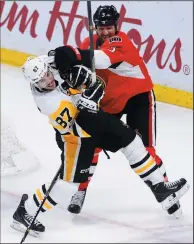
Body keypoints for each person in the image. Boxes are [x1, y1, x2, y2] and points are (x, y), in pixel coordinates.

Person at [11, 56, 189, 237]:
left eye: (48, 74)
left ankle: (160, 188)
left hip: (94, 120)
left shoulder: (46, 63)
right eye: (42, 81)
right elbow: (81, 118)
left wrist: (83, 73)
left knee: (131, 140)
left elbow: (61, 55)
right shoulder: (48, 103)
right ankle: (26, 211)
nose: (48, 80)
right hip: (76, 137)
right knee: (68, 186)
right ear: (34, 83)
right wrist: (89, 96)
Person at [49, 5, 182, 218]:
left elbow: (100, 59)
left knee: (144, 150)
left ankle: (165, 194)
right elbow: (80, 72)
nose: (105, 31)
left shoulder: (122, 42)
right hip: (109, 102)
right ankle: (80, 191)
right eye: (101, 27)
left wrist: (73, 54)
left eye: (109, 27)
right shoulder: (88, 43)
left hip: (137, 98)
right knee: (89, 144)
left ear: (116, 26)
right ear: (95, 27)